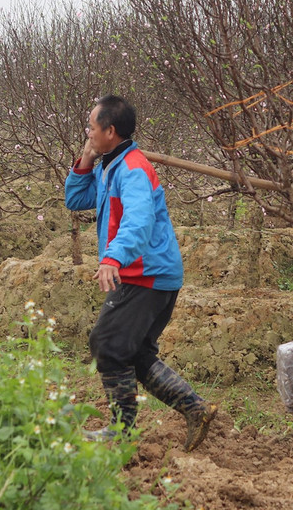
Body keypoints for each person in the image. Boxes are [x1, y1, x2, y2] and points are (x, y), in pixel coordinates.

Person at [65, 94, 217, 452]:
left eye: (91, 127)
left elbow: (139, 220)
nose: (87, 132)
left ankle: (122, 432)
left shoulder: (132, 169)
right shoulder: (111, 165)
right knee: (132, 352)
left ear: (110, 130)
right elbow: (76, 201)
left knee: (107, 345)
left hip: (143, 274)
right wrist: (85, 161)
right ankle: (195, 408)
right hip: (149, 273)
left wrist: (113, 258)